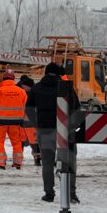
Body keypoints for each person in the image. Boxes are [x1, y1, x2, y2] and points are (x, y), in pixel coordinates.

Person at [26, 62, 80, 204]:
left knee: (48, 162)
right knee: (69, 161)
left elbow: (29, 109)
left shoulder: (37, 88)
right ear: (59, 73)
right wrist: (73, 126)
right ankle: (71, 193)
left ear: (45, 72)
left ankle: (49, 193)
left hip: (45, 129)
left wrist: (37, 123)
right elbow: (76, 108)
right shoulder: (66, 88)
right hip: (66, 129)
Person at [0, 70, 28, 170]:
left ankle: (1, 163)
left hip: (1, 122)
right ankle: (17, 163)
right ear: (13, 79)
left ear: (3, 79)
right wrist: (24, 120)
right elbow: (25, 108)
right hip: (16, 122)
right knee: (16, 142)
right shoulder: (21, 92)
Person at [17, 74, 41, 166]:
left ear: (28, 86)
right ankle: (18, 160)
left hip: (30, 123)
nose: (23, 87)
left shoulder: (32, 94)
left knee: (34, 143)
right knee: (22, 142)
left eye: (24, 86)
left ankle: (37, 159)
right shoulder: (25, 92)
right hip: (24, 122)